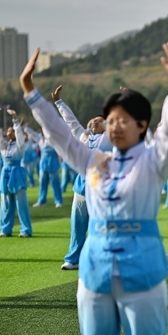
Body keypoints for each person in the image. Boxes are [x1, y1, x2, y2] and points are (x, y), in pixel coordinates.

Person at [21, 42, 168, 335]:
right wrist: (32, 94)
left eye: (124, 121)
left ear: (142, 126)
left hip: (142, 272)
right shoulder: (95, 163)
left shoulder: (153, 161)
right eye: (111, 120)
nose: (115, 127)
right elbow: (60, 136)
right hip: (94, 272)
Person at [51, 85, 113, 270]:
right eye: (93, 120)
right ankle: (73, 258)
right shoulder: (83, 137)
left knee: (100, 225)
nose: (95, 122)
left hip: (100, 187)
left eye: (100, 121)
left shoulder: (108, 139)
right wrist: (58, 102)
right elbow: (70, 121)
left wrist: (123, 101)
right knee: (77, 224)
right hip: (81, 185)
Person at [0, 108, 33, 237]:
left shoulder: (20, 145)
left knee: (21, 204)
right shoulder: (4, 145)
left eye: (11, 131)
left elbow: (20, 134)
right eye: (8, 131)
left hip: (17, 172)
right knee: (6, 203)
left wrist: (15, 118)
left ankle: (25, 229)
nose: (9, 133)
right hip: (5, 173)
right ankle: (5, 229)